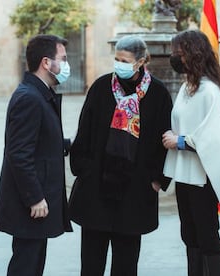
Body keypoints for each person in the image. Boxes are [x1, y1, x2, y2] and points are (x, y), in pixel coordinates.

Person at [68, 35, 173, 276]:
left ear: (141, 62)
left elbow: (163, 140)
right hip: (97, 187)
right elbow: (83, 132)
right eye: (116, 59)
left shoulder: (158, 94)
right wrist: (83, 169)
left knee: (126, 266)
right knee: (91, 265)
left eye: (124, 60)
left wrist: (157, 179)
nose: (119, 65)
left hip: (135, 191)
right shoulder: (101, 87)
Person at [162, 30, 220, 276]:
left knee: (207, 237)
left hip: (202, 178)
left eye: (178, 52)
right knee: (190, 236)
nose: (175, 57)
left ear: (193, 54)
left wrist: (180, 141)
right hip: (184, 176)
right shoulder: (187, 87)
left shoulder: (209, 90)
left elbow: (214, 137)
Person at [0, 34, 72, 276]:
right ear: (47, 63)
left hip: (38, 201)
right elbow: (18, 154)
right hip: (31, 203)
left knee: (34, 263)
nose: (66, 65)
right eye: (63, 59)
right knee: (26, 266)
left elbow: (40, 141)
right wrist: (35, 197)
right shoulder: (29, 98)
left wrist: (71, 144)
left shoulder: (38, 94)